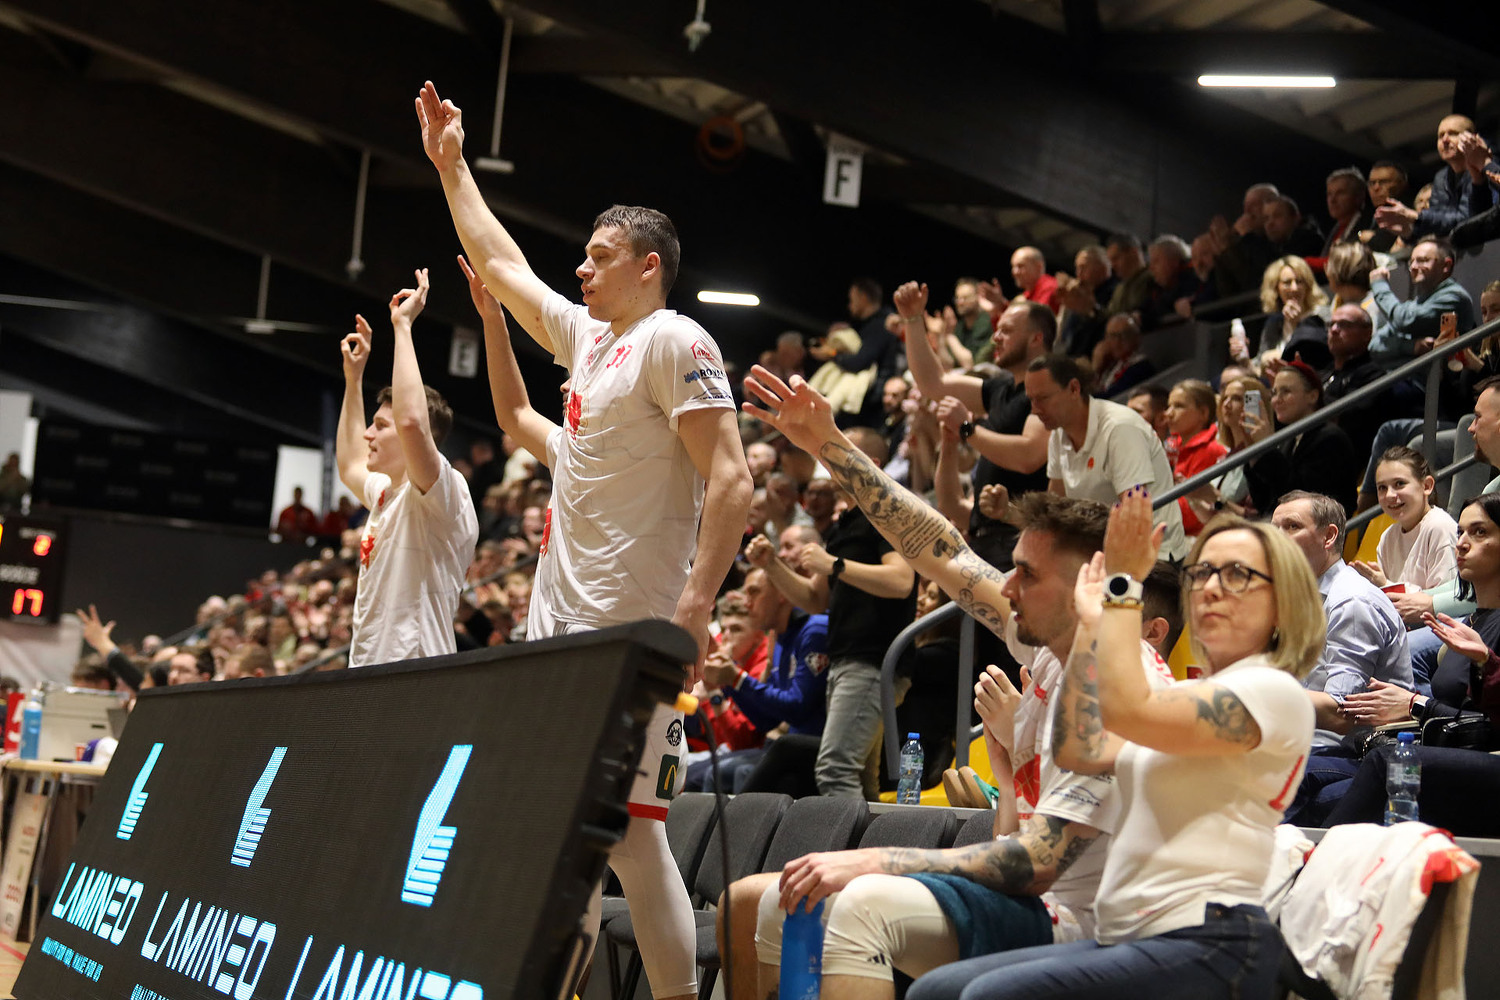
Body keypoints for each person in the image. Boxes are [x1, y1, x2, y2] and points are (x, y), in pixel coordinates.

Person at [418, 82, 752, 1000]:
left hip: (631, 632)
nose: (581, 270)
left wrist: (693, 609)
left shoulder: (674, 340)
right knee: (559, 836)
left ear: (649, 266)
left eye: (599, 257)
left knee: (635, 838)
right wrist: (452, 167)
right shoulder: (592, 342)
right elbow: (505, 267)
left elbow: (733, 481)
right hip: (559, 637)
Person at [734, 495, 1171, 1000]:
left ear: (1084, 588)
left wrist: (872, 859)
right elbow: (943, 551)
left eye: (1027, 574)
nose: (1007, 587)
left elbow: (1035, 864)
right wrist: (830, 450)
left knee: (864, 902)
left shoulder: (1117, 684)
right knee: (784, 903)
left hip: (1097, 926)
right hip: (1041, 901)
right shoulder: (1055, 659)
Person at [907, 497, 1320, 1000]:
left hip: (1210, 937)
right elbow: (1080, 750)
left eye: (1237, 574)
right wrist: (1089, 629)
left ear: (1285, 601)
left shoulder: (1274, 692)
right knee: (936, 991)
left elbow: (1126, 710)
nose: (1211, 587)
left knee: (986, 996)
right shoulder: (1189, 695)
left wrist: (1120, 589)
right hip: (1129, 936)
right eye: (1203, 572)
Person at [1327, 493, 1500, 836]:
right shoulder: (1472, 623)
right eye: (1461, 532)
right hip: (1452, 749)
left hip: (1487, 758)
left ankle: (1314, 863)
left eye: (1479, 532)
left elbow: (1487, 728)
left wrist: (1415, 705)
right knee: (1321, 760)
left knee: (1385, 762)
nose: (1462, 543)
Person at [335, 269, 478, 668]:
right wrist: (353, 380)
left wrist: (402, 326)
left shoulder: (444, 490)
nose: (368, 435)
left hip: (416, 672)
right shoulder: (385, 491)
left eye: (381, 426)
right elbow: (349, 465)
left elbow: (412, 422)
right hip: (368, 670)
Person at [895, 281, 1050, 571]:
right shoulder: (1001, 388)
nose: (995, 337)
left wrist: (967, 428)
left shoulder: (1050, 387)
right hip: (986, 538)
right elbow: (934, 384)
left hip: (1020, 539)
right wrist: (913, 320)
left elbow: (1029, 455)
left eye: (1006, 331)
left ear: (1036, 338)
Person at [1024, 354, 1189, 559]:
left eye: (1043, 398)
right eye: (1031, 400)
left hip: (1154, 558)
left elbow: (1134, 516)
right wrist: (1006, 511)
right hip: (1100, 551)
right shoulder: (1059, 434)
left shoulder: (1120, 428)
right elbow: (1054, 509)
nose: (1035, 410)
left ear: (1074, 388)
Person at [1242, 361, 1360, 515]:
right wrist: (1255, 455)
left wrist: (1268, 450)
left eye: (1286, 391)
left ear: (1312, 396)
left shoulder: (1330, 439)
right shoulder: (1289, 440)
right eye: (1274, 393)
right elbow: (1265, 503)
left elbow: (1301, 499)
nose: (1277, 400)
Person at [1352, 447, 1458, 593]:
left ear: (1427, 486)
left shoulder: (1440, 527)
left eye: (1399, 483)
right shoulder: (1388, 537)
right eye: (1382, 487)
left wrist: (1386, 585)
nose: (1389, 495)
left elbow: (1444, 599)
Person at [1369, 236, 1476, 359]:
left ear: (1446, 265)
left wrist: (1380, 286)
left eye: (1422, 260)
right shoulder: (1415, 304)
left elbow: (1405, 321)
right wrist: (1412, 346)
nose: (1413, 267)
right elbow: (1375, 345)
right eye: (1411, 262)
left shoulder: (1454, 297)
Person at [1239, 256, 1330, 373]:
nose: (1294, 288)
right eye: (1287, 283)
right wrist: (1244, 359)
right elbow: (1259, 367)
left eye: (1299, 281)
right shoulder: (1274, 323)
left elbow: (1321, 357)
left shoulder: (1322, 314)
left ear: (1307, 285)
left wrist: (1298, 324)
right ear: (1276, 289)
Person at [1162, 380, 1226, 536]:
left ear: (1203, 413)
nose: (1168, 413)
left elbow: (1192, 515)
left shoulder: (1210, 450)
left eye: (1179, 406)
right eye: (1169, 406)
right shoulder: (1171, 447)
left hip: (1199, 535)